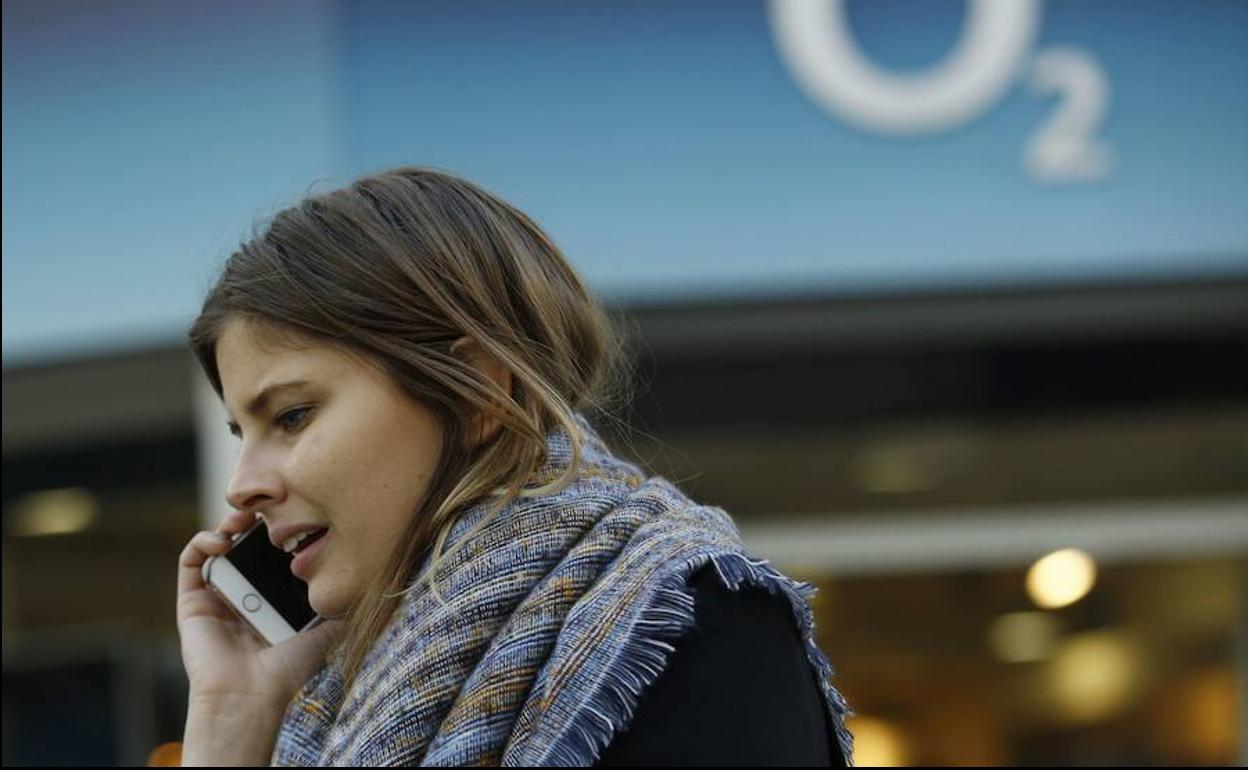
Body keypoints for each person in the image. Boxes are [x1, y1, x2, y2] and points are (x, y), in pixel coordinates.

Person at [176, 166, 855, 766]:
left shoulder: (687, 626)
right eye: (242, 433)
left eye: (291, 416)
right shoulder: (331, 704)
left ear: (474, 389)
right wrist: (229, 721)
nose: (244, 485)